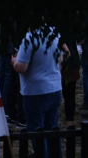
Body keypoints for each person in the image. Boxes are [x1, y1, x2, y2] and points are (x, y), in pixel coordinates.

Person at [14, 27, 63, 158]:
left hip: (36, 91)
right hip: (54, 88)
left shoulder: (29, 39)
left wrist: (14, 61)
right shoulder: (54, 34)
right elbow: (62, 58)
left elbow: (21, 67)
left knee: (37, 130)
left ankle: (43, 154)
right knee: (52, 127)